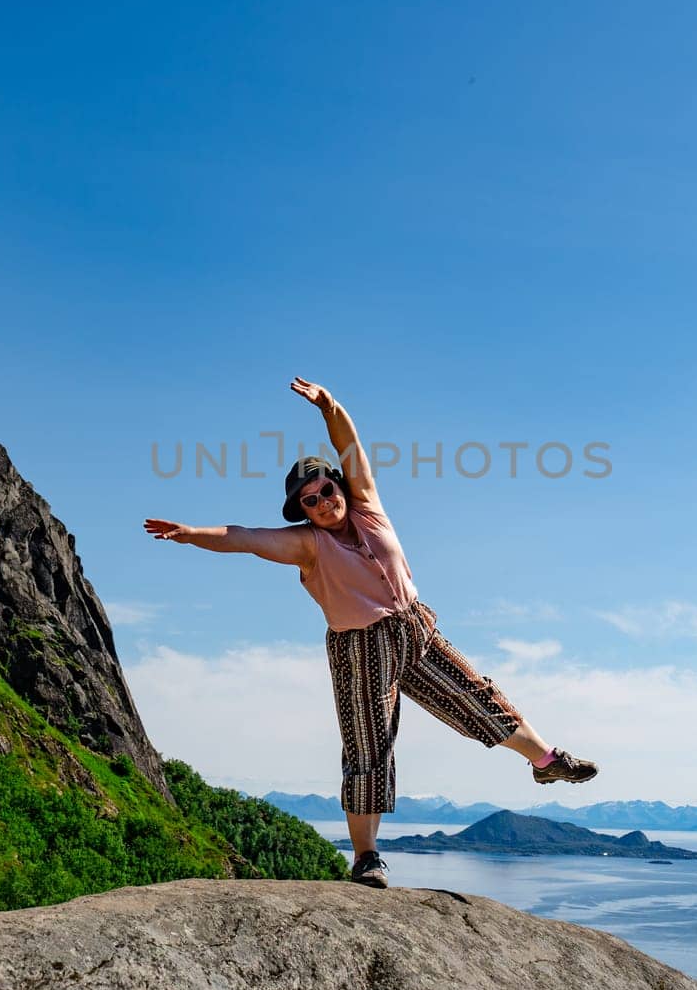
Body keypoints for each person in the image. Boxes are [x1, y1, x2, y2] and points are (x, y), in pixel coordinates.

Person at [144, 378, 598, 890]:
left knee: (476, 696)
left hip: (414, 627)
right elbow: (244, 538)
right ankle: (366, 858)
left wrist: (329, 406)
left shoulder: (368, 508)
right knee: (369, 747)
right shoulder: (307, 545)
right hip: (360, 649)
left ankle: (545, 762)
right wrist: (190, 534)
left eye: (326, 490)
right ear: (304, 511)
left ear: (340, 486)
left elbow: (350, 446)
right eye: (310, 501)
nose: (321, 502)